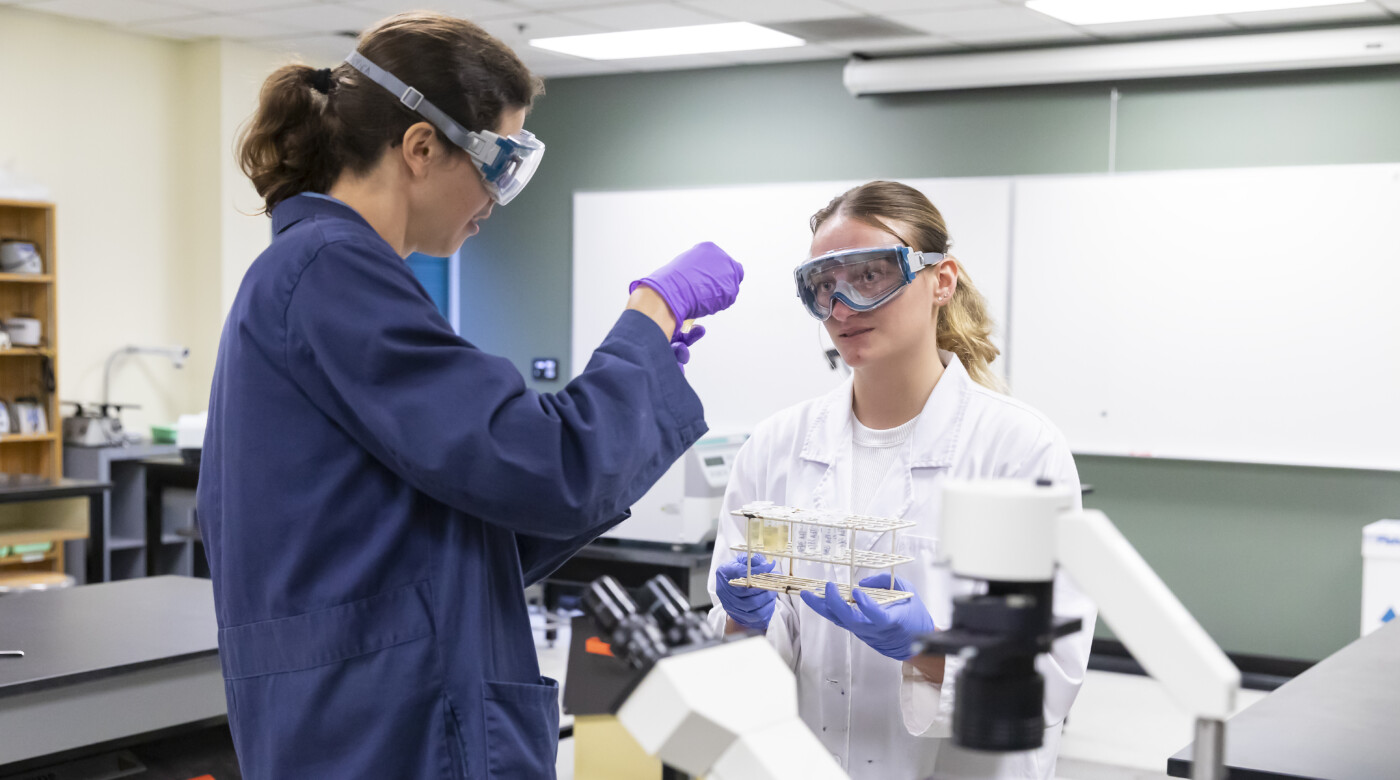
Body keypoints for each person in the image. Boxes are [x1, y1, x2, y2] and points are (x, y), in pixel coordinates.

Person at [197, 12, 742, 779]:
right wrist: (648, 319)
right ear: (420, 148)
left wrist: (639, 375)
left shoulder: (320, 274)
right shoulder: (330, 272)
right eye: (500, 160)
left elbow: (469, 527)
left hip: (371, 717)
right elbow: (548, 464)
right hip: (392, 728)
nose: (498, 195)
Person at [705, 181, 1095, 779]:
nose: (841, 308)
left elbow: (1052, 676)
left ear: (941, 280)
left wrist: (930, 650)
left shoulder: (1018, 448)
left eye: (869, 276)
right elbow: (739, 665)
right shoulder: (775, 446)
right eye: (823, 286)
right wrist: (740, 621)